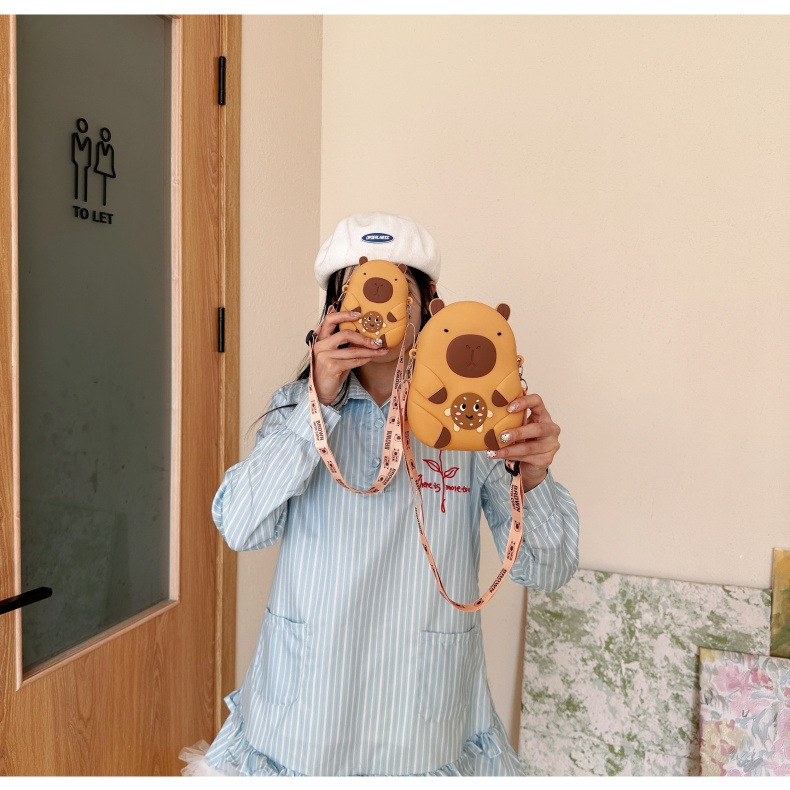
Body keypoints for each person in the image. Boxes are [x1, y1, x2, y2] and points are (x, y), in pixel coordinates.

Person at [179, 212, 579, 777]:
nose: (379, 308)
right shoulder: (296, 410)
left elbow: (549, 571)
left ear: (430, 305)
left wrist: (533, 479)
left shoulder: (473, 424)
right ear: (333, 311)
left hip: (422, 718)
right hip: (304, 716)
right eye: (363, 289)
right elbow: (240, 526)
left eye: (396, 288)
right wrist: (318, 403)